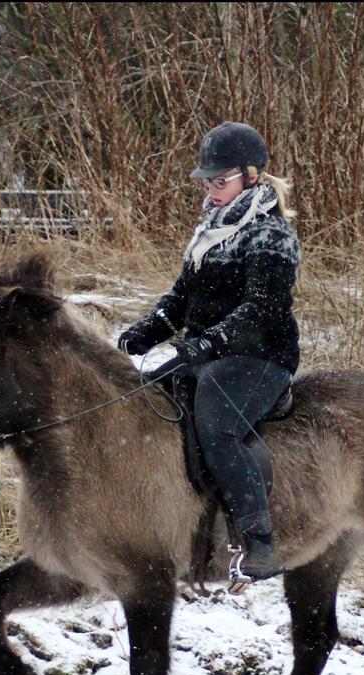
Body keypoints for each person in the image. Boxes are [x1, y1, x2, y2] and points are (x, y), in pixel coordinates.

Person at [117, 121, 301, 583]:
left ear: (252, 177)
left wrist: (208, 343)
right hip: (208, 352)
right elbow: (181, 298)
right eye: (209, 181)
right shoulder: (209, 231)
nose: (212, 189)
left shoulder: (270, 235)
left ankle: (259, 542)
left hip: (260, 357)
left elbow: (262, 309)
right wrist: (143, 333)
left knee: (216, 425)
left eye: (221, 181)